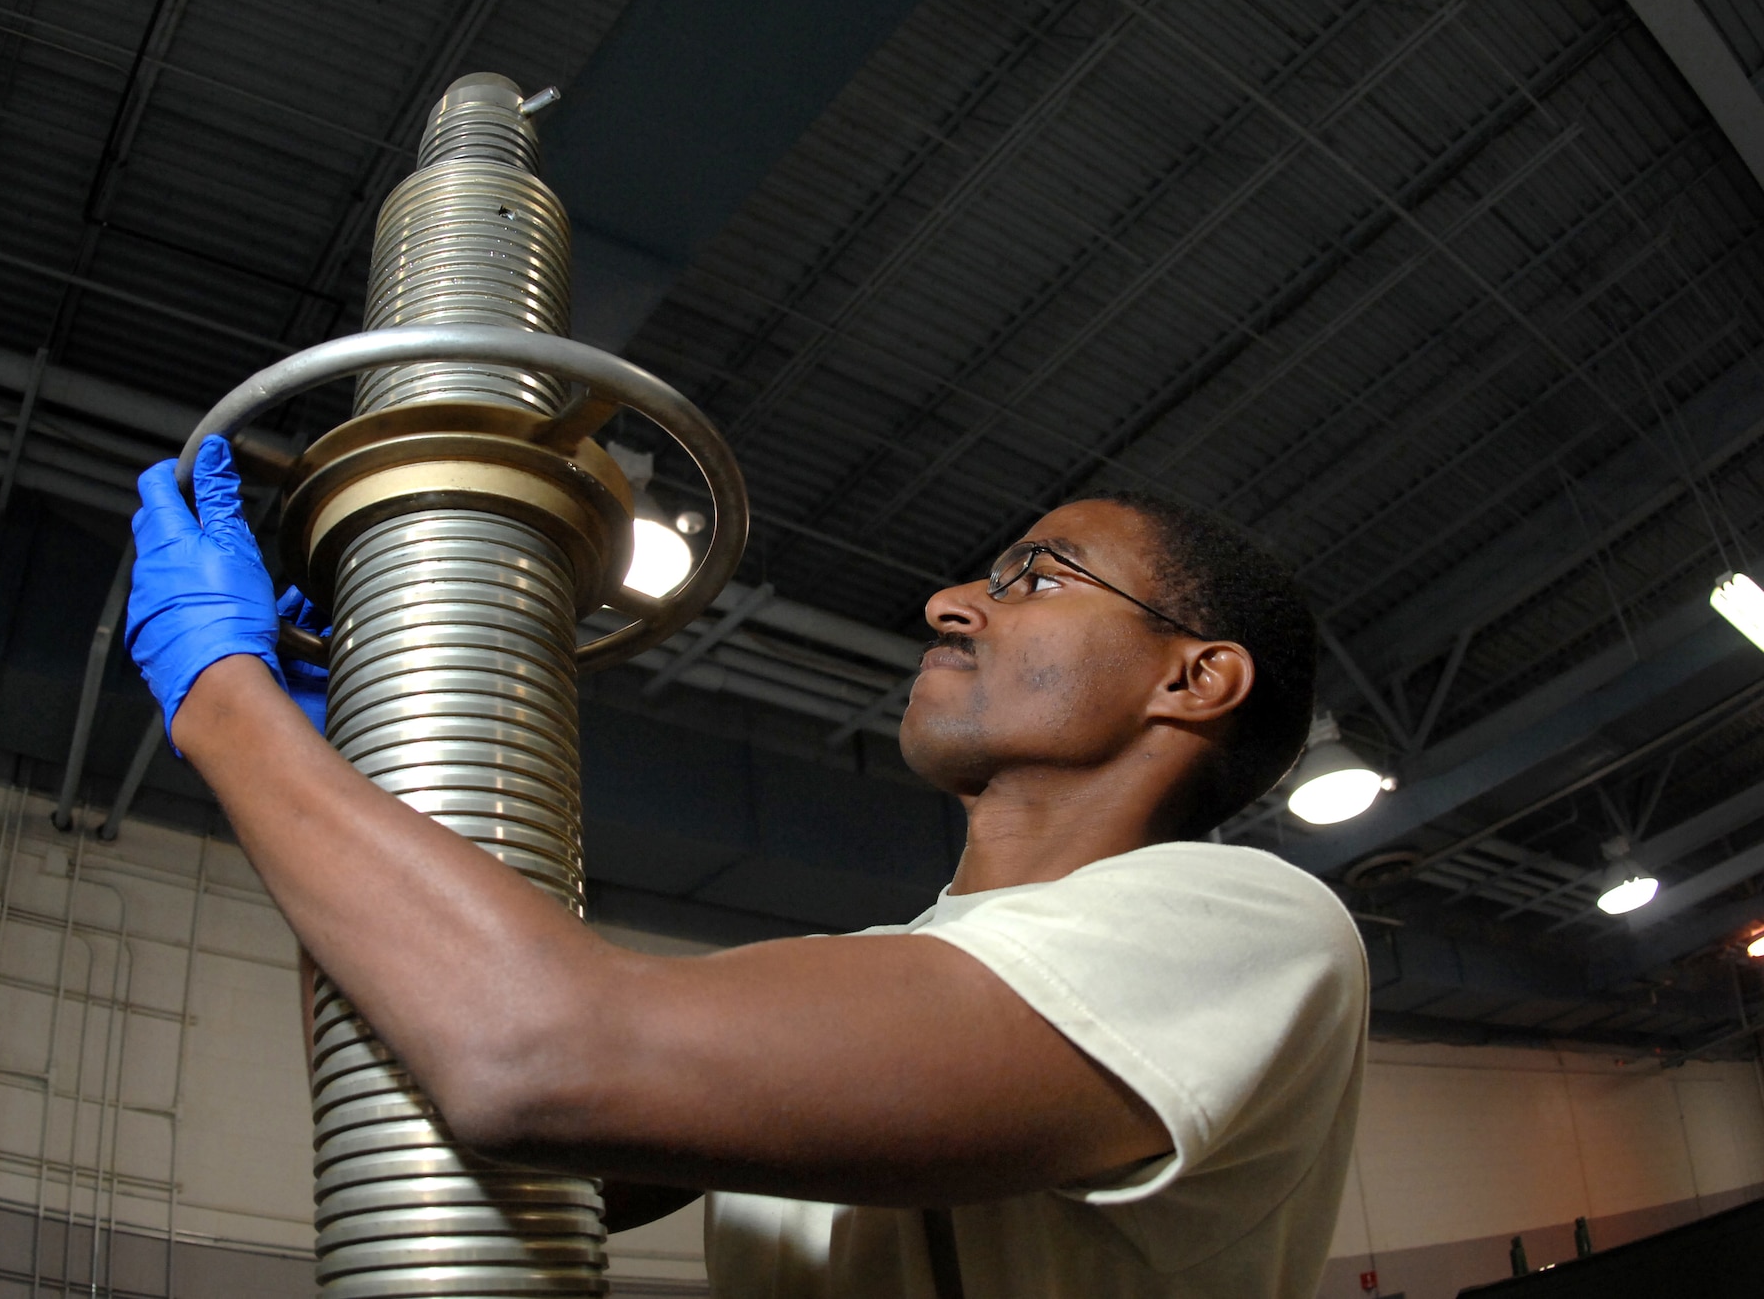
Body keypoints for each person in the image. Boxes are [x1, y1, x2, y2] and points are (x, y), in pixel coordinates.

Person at [126, 435, 1367, 1298]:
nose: (947, 601)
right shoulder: (875, 980)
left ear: (1193, 677)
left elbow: (537, 1057)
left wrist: (228, 709)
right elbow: (429, 1113)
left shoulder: (1248, 926)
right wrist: (361, 758)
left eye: (1033, 578)